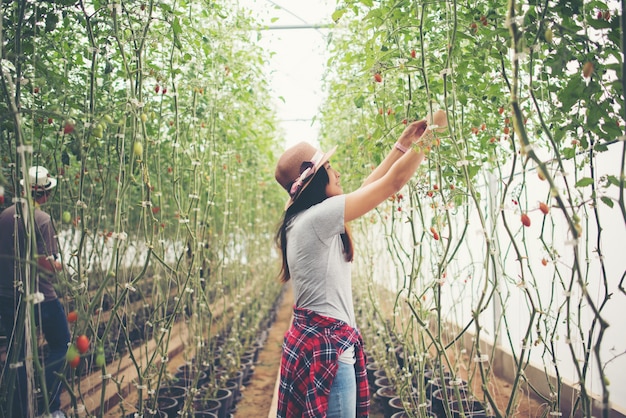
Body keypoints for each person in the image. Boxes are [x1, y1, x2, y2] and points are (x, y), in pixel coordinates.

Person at [274, 110, 447, 417]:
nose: (337, 172)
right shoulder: (319, 218)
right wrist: (432, 132)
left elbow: (366, 188)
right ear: (313, 178)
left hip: (311, 345)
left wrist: (403, 145)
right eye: (330, 166)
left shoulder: (300, 219)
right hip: (327, 353)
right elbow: (393, 182)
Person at [0, 166, 70, 418]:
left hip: (8, 295)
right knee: (62, 344)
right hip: (40, 296)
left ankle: (18, 410)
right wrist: (61, 265)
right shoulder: (42, 219)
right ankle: (51, 407)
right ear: (44, 195)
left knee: (18, 352)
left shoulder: (5, 215)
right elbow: (45, 263)